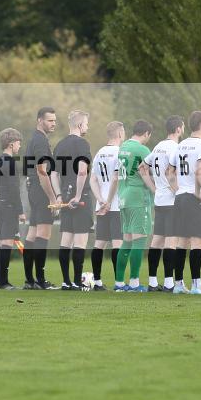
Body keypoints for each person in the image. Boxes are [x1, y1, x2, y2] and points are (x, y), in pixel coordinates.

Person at [169, 110, 201, 294]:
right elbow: (199, 172)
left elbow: (169, 173)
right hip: (193, 199)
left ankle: (178, 285)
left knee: (182, 242)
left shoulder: (180, 146)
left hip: (179, 198)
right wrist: (198, 192)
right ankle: (196, 285)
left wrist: (177, 190)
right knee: (197, 242)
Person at [114, 120, 156, 292]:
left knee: (127, 240)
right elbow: (149, 171)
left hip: (123, 196)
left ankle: (118, 282)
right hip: (138, 197)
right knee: (140, 240)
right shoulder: (143, 150)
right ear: (146, 133)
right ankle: (134, 282)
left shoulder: (123, 147)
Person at [53, 110, 93, 290]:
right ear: (79, 125)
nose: (87, 127)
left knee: (65, 240)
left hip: (65, 195)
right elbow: (82, 171)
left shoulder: (59, 145)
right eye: (86, 124)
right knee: (80, 242)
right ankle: (77, 282)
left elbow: (53, 173)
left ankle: (66, 281)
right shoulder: (83, 144)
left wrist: (59, 196)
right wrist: (77, 195)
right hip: (80, 197)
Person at [144, 116, 183, 291]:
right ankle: (168, 283)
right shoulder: (175, 148)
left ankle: (152, 282)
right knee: (171, 241)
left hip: (159, 200)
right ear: (178, 129)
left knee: (157, 240)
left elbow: (142, 168)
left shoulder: (158, 146)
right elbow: (170, 174)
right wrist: (179, 193)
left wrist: (154, 188)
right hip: (172, 200)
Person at [23, 107, 58, 289]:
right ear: (39, 120)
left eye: (54, 120)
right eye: (49, 120)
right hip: (41, 191)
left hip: (33, 190)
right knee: (43, 235)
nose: (53, 123)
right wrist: (52, 198)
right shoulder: (41, 141)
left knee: (32, 234)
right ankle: (41, 281)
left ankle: (30, 281)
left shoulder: (33, 140)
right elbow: (42, 171)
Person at [89, 121, 125, 290]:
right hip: (116, 205)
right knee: (117, 243)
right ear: (119, 134)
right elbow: (116, 178)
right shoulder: (120, 153)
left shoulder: (99, 153)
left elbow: (93, 180)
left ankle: (97, 282)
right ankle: (119, 283)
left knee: (100, 243)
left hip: (101, 205)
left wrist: (101, 200)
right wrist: (109, 201)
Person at [0, 128, 25, 289]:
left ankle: (0, 281)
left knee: (0, 243)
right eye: (18, 143)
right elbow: (14, 189)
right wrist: (20, 211)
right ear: (11, 144)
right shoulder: (11, 162)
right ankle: (4, 282)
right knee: (6, 243)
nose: (20, 146)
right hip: (9, 207)